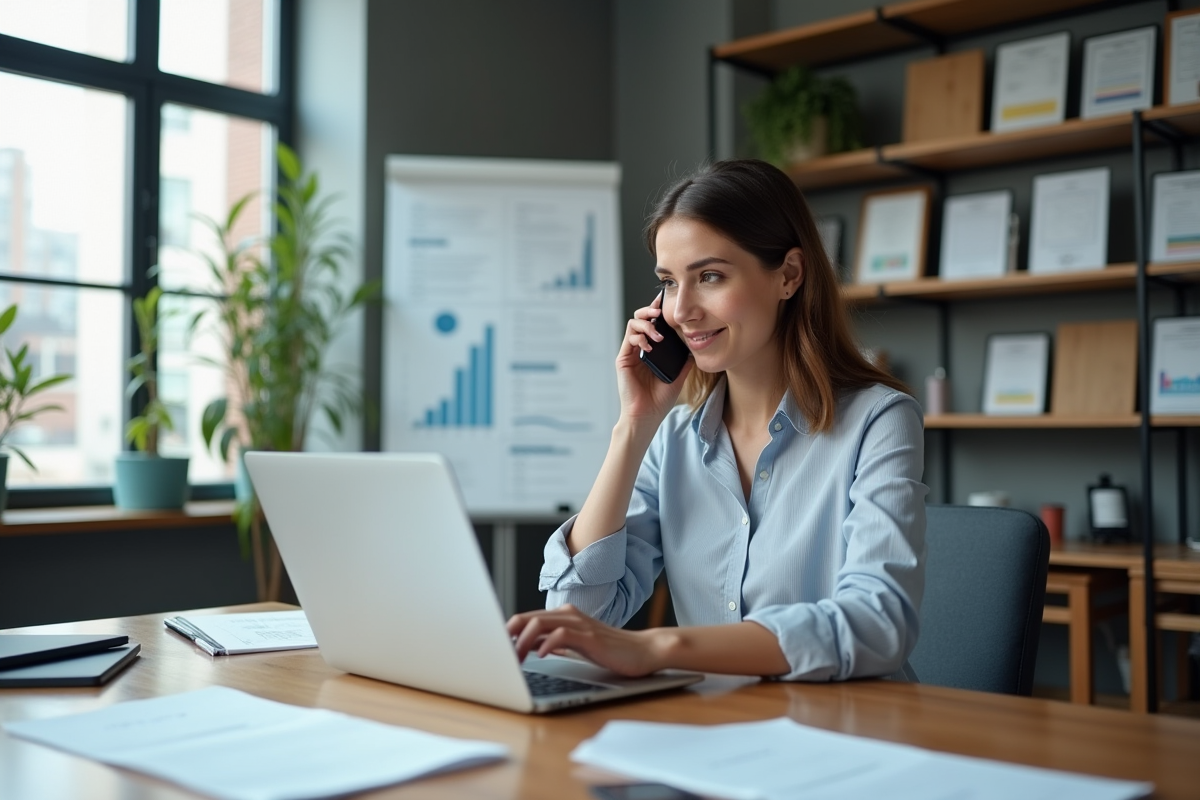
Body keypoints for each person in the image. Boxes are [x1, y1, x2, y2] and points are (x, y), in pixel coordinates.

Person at [507, 159, 927, 682]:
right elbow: (576, 616)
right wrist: (633, 427)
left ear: (789, 275)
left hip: (844, 729)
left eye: (709, 276)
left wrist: (663, 646)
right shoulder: (674, 441)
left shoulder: (878, 420)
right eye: (667, 282)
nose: (681, 310)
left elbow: (878, 625)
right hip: (717, 730)